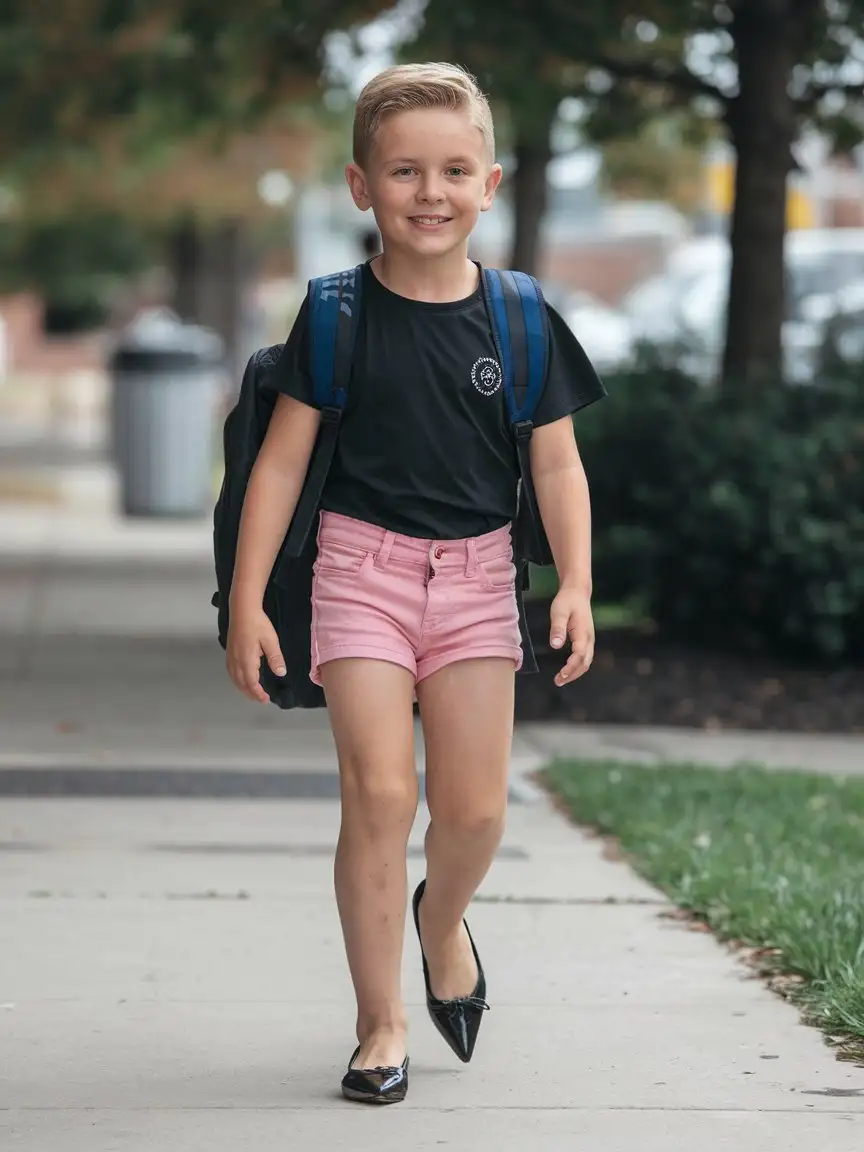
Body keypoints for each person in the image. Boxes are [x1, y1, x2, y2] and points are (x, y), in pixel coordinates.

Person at [225, 62, 606, 1104]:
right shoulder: (336, 316)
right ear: (361, 186)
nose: (428, 192)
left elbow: (558, 464)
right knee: (380, 794)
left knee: (476, 814)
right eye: (404, 171)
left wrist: (572, 582)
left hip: (481, 579)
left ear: (491, 184)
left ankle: (443, 922)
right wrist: (250, 600)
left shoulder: (521, 318)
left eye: (452, 170)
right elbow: (281, 464)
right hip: (360, 571)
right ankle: (381, 1024)